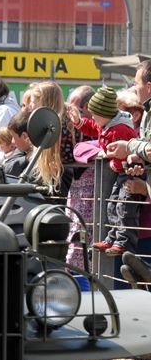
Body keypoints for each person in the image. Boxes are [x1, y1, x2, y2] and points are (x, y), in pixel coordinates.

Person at [72, 87, 140, 255]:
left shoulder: (119, 129)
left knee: (124, 206)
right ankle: (112, 238)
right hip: (121, 172)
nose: (92, 118)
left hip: (129, 172)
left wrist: (115, 162)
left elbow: (127, 150)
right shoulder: (107, 124)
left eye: (95, 114)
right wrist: (79, 122)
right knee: (112, 203)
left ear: (104, 114)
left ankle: (123, 241)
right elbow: (92, 127)